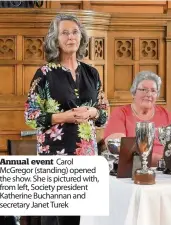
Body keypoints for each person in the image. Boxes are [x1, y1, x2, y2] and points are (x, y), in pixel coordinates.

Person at [24, 14, 108, 225]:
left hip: (87, 156)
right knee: (56, 219)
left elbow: (104, 113)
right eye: (65, 33)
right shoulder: (44, 74)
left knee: (84, 218)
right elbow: (31, 116)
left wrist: (92, 112)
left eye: (75, 32)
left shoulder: (92, 73)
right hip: (55, 157)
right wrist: (66, 117)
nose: (71, 37)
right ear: (56, 39)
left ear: (81, 37)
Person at [104, 71, 171, 166]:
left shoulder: (167, 116)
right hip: (132, 170)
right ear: (133, 93)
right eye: (144, 90)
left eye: (153, 91)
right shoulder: (120, 114)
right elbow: (119, 148)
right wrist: (161, 160)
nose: (149, 94)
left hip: (166, 171)